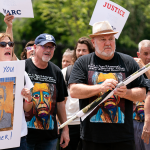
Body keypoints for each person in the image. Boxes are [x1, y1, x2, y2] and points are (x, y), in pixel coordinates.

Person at [68, 21, 147, 150]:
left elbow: (142, 93)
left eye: (111, 38)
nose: (108, 43)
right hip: (91, 138)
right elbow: (74, 91)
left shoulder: (128, 61)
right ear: (93, 42)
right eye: (103, 39)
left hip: (123, 138)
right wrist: (100, 88)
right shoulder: (83, 62)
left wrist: (126, 93)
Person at [25, 33, 69, 150]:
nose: (48, 50)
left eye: (51, 47)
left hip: (49, 138)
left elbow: (60, 102)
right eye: (44, 46)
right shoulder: (24, 67)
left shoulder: (57, 71)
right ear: (35, 47)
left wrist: (65, 129)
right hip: (24, 136)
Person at [0, 32, 33, 150]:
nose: (8, 46)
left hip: (18, 137)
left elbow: (27, 108)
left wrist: (29, 98)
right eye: (3, 44)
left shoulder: (21, 73)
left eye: (10, 44)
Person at [61, 37, 95, 150]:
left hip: (90, 123)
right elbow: (60, 100)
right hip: (70, 123)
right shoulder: (66, 72)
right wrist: (63, 125)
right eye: (78, 50)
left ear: (91, 52)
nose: (80, 53)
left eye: (84, 50)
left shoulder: (95, 72)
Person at [133, 40, 150, 149]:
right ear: (138, 55)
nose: (149, 57)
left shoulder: (143, 67)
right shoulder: (133, 69)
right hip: (134, 122)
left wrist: (144, 68)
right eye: (145, 54)